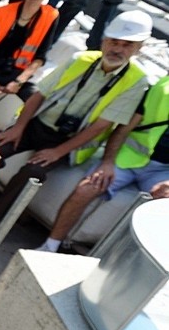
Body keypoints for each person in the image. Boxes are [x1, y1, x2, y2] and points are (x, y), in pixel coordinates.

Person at [0, 10, 152, 245]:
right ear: (104, 41)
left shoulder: (137, 81)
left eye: (127, 45)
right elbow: (39, 95)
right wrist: (18, 128)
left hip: (67, 142)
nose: (117, 49)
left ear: (139, 48)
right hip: (37, 125)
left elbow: (100, 126)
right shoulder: (81, 59)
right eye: (114, 41)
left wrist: (58, 152)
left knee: (32, 173)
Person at [36, 75, 169, 252]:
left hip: (163, 172)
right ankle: (50, 246)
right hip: (127, 157)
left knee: (162, 210)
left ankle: (122, 266)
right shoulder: (159, 90)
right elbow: (122, 130)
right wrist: (107, 162)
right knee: (87, 187)